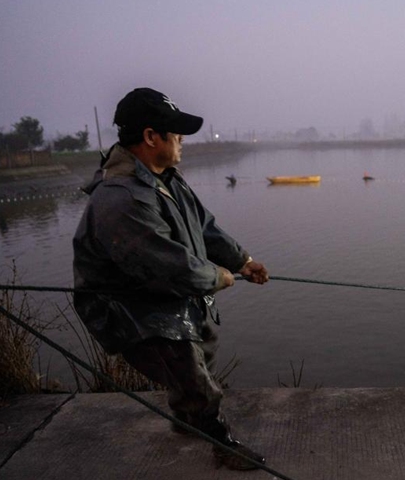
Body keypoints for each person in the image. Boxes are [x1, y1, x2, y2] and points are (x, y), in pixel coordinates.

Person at [72, 87, 268, 471]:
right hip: (128, 306)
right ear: (150, 137)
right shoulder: (120, 197)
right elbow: (165, 266)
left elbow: (205, 227)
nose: (182, 141)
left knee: (204, 343)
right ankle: (220, 441)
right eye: (175, 133)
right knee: (190, 370)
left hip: (163, 291)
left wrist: (243, 261)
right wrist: (218, 277)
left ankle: (185, 420)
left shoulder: (168, 179)